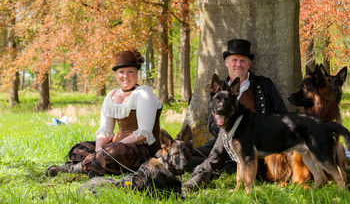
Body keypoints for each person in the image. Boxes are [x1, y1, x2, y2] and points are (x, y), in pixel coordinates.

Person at [184, 38, 288, 190]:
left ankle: (201, 176)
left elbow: (282, 116)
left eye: (243, 60)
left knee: (220, 154)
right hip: (224, 144)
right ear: (227, 62)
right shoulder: (219, 90)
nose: (238, 64)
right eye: (234, 60)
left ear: (249, 64)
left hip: (254, 144)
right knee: (188, 156)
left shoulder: (263, 85)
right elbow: (211, 126)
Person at [46, 50, 163, 178]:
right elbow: (105, 130)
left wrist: (113, 147)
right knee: (79, 149)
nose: (125, 76)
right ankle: (97, 163)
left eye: (130, 71)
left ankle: (75, 168)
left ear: (137, 73)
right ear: (116, 74)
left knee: (115, 152)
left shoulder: (144, 94)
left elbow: (144, 132)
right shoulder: (112, 95)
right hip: (114, 147)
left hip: (142, 149)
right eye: (121, 72)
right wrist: (99, 150)